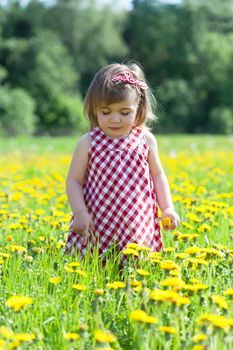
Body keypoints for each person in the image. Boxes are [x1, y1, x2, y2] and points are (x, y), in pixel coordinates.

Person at [64, 62, 180, 258]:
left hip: (136, 220)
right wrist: (80, 212)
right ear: (94, 109)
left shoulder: (145, 140)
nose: (115, 119)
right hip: (98, 220)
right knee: (95, 265)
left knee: (134, 266)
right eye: (105, 112)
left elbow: (158, 176)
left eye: (124, 112)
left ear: (138, 108)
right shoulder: (88, 142)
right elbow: (74, 180)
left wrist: (167, 207)